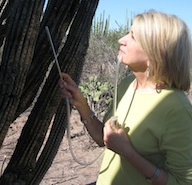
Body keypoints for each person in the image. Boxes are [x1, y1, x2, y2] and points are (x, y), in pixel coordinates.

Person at [59, 11, 192, 185]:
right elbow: (104, 139)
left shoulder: (177, 109)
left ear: (156, 53)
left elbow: (183, 182)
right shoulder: (128, 84)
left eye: (133, 36)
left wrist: (128, 153)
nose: (121, 39)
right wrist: (81, 104)